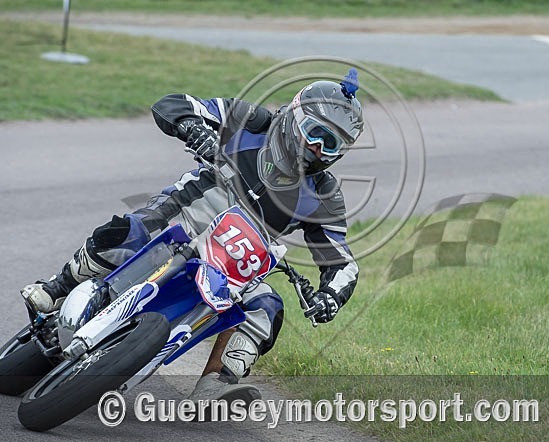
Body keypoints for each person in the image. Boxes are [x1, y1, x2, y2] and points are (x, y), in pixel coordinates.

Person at [21, 70, 364, 402]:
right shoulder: (250, 120)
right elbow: (175, 103)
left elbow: (342, 261)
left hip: (235, 265)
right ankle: (56, 288)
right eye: (316, 134)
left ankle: (217, 382)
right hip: (179, 219)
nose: (320, 149)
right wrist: (191, 127)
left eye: (333, 145)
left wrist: (329, 296)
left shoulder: (325, 194)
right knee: (125, 232)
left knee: (267, 307)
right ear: (294, 116)